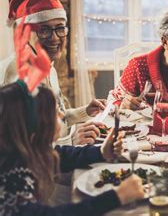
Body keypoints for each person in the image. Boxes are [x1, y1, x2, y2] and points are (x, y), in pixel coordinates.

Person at [0, 82, 145, 215]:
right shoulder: (12, 181)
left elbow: (60, 155)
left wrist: (101, 152)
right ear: (36, 130)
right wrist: (117, 196)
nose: (62, 115)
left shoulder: (21, 151)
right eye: (56, 113)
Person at [0, 0, 104, 146]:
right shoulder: (16, 74)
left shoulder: (48, 68)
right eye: (43, 30)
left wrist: (86, 111)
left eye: (60, 28)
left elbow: (55, 119)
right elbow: (22, 147)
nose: (55, 37)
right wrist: (71, 141)